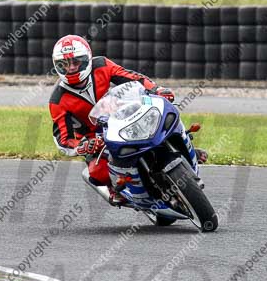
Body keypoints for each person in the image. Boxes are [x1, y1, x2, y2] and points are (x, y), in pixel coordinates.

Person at [48, 34, 206, 205]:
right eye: (64, 64)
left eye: (76, 62)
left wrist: (155, 89)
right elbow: (64, 138)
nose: (71, 68)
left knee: (164, 114)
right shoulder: (57, 99)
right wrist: (82, 145)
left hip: (124, 114)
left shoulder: (101, 64)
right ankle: (117, 189)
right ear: (57, 66)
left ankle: (181, 146)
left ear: (87, 59)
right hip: (97, 137)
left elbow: (131, 77)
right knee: (97, 173)